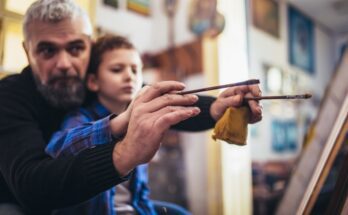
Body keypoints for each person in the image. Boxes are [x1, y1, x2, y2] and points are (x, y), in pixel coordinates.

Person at [0, 0, 262, 214]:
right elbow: (31, 186)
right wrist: (124, 152)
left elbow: (155, 99)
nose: (64, 63)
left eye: (76, 48)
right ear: (27, 51)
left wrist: (218, 107)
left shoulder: (98, 78)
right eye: (47, 51)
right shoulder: (9, 95)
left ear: (89, 47)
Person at [46, 35, 195, 215]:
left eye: (135, 70)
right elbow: (57, 149)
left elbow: (140, 194)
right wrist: (119, 122)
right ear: (93, 82)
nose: (129, 76)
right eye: (117, 69)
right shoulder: (80, 118)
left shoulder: (141, 124)